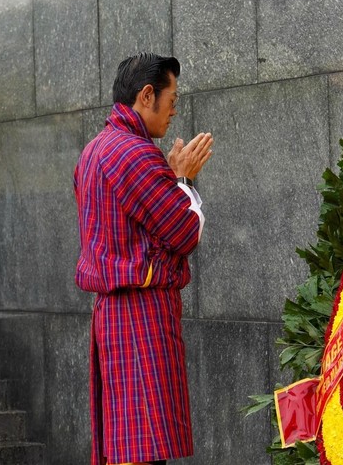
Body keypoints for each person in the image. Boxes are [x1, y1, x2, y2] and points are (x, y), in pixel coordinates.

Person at [73, 53, 212, 465]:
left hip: (113, 314)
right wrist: (183, 180)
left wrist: (169, 178)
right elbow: (185, 232)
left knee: (126, 446)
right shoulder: (133, 153)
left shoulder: (94, 151)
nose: (174, 110)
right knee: (143, 450)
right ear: (147, 95)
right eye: (172, 99)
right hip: (141, 315)